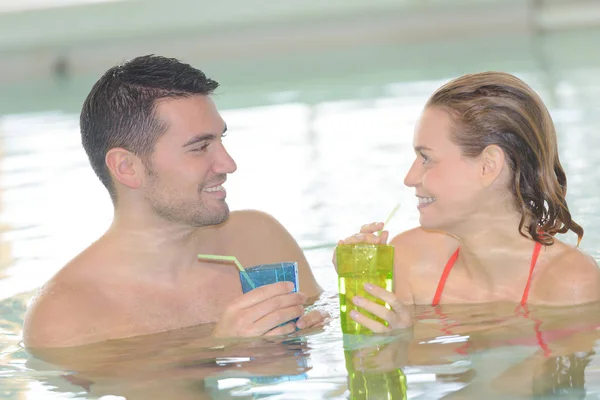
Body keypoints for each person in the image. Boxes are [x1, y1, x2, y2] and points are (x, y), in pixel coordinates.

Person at [23, 55, 326, 348]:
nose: (228, 164)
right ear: (127, 168)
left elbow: (310, 354)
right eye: (199, 147)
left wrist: (361, 300)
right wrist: (221, 348)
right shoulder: (64, 318)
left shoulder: (260, 241)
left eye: (221, 140)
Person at [337, 71, 600, 333]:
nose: (409, 178)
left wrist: (405, 345)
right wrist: (357, 283)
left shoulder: (569, 286)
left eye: (426, 158)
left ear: (488, 166)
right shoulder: (408, 259)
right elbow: (369, 362)